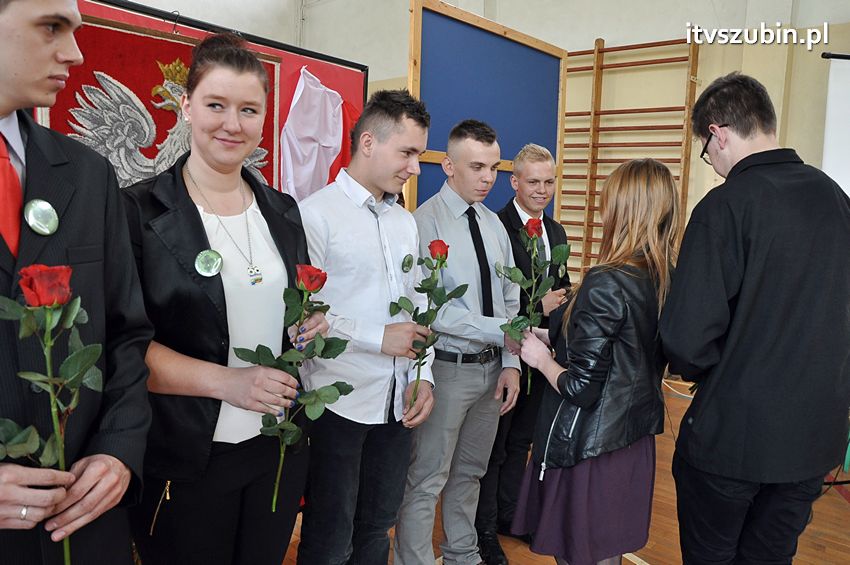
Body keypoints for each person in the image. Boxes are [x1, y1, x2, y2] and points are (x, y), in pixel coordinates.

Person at [123, 33, 322, 564]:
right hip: (186, 454)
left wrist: (310, 321)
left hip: (276, 447)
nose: (232, 124)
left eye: (248, 109)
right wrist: (229, 382)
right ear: (185, 106)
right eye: (216, 105)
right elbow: (121, 345)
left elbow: (287, 305)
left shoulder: (282, 210)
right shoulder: (137, 213)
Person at [659, 72, 850, 564]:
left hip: (733, 440)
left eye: (708, 152)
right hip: (813, 440)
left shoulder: (724, 207)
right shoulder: (837, 200)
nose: (713, 165)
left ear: (718, 134)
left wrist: (716, 372)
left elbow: (686, 338)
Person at [0, 0, 153, 563]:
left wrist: (117, 451)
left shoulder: (88, 174)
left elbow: (127, 333)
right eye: (51, 27)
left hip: (84, 522)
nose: (75, 52)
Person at [512, 158, 680, 565]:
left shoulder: (607, 279)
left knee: (582, 554)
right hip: (631, 438)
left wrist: (541, 358)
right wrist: (558, 336)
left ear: (623, 209)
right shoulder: (665, 275)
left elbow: (582, 388)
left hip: (590, 444)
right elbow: (625, 347)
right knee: (607, 550)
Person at [295, 89, 436, 565]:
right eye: (408, 153)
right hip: (338, 402)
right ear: (369, 143)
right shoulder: (314, 215)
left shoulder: (404, 222)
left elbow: (419, 306)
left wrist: (425, 377)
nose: (415, 167)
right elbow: (301, 317)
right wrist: (377, 339)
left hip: (397, 401)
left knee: (378, 528)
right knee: (330, 538)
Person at [394, 119, 521, 565]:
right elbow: (431, 311)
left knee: (471, 473)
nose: (488, 178)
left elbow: (510, 297)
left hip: (492, 370)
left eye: (494, 168)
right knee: (428, 477)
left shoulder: (494, 224)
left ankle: (463, 555)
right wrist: (499, 331)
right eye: (477, 167)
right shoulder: (422, 223)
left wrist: (511, 361)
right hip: (445, 371)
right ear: (448, 166)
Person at [475, 143, 571, 563]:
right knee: (494, 447)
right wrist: (539, 309)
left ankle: (510, 514)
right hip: (507, 356)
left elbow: (561, 288)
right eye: (533, 181)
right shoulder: (496, 228)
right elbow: (492, 305)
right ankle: (484, 527)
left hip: (543, 358)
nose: (542, 190)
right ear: (514, 182)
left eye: (549, 181)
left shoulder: (558, 232)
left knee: (523, 443)